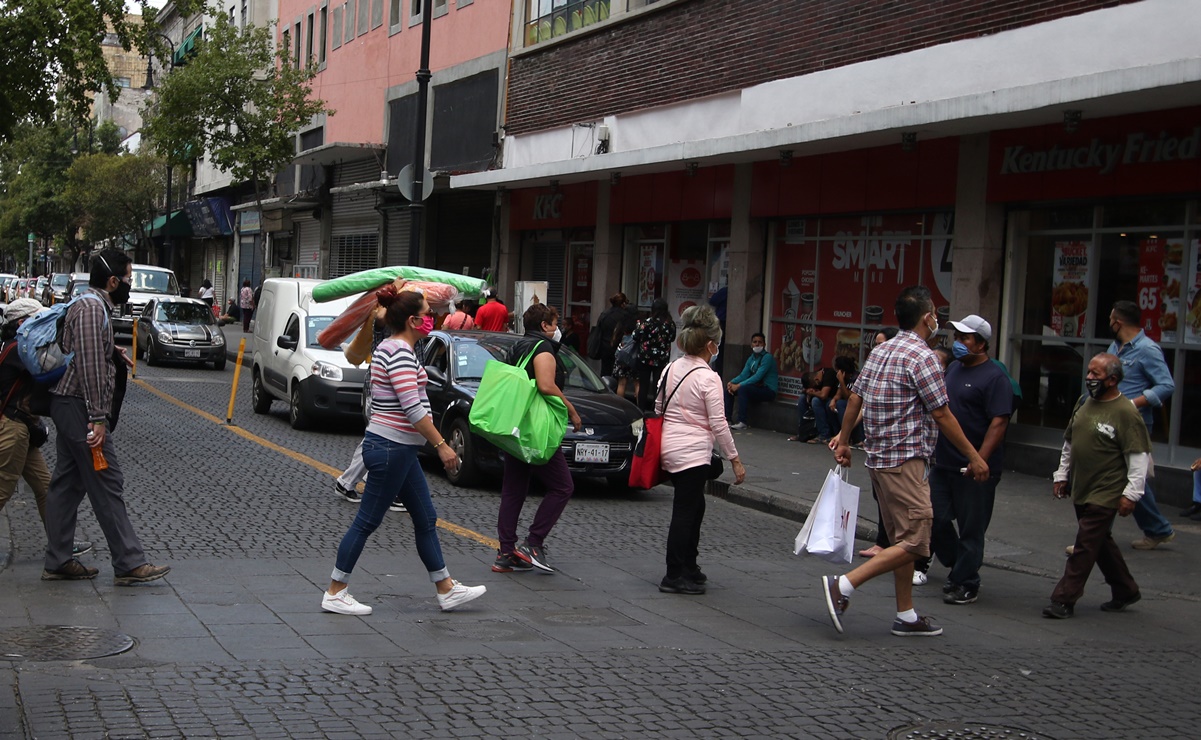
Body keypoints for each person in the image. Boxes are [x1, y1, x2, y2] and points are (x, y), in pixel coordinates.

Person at [823, 286, 989, 637]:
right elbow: (942, 414)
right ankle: (844, 585)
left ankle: (907, 615)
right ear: (927, 317)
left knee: (902, 540)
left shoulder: (882, 349)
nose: (937, 318)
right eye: (934, 313)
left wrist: (846, 437)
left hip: (880, 459)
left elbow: (855, 398)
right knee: (916, 541)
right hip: (906, 460)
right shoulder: (923, 356)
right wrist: (974, 456)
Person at [321, 287, 486, 616]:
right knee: (366, 521)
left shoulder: (397, 348)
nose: (432, 318)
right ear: (412, 320)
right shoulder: (397, 351)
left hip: (399, 450)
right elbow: (412, 409)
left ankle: (446, 588)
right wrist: (442, 446)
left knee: (426, 518)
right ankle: (336, 591)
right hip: (389, 448)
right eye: (427, 313)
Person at [42, 249, 170, 585]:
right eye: (127, 278)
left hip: (72, 406)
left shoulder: (93, 305)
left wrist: (111, 351)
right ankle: (129, 562)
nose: (129, 285)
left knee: (68, 484)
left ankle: (57, 560)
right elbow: (87, 365)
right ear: (112, 281)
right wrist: (97, 420)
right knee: (106, 479)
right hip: (78, 408)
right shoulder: (89, 307)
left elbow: (86, 348)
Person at [1044, 353, 1148, 619]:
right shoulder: (1083, 402)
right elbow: (1070, 442)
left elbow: (1138, 456)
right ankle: (1126, 589)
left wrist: (1131, 494)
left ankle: (1064, 599)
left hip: (1107, 489)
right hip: (1082, 485)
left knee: (1085, 544)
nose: (1089, 378)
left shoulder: (1126, 412)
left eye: (1096, 374)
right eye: (1089, 372)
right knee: (1100, 541)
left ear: (1112, 380)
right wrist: (1062, 475)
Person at [658, 305, 745, 594]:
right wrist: (734, 459)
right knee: (685, 511)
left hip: (669, 447)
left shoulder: (671, 368)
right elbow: (719, 423)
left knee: (696, 505)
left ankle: (690, 566)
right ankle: (674, 573)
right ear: (710, 344)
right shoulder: (709, 378)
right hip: (693, 452)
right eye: (717, 343)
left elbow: (658, 407)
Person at [929, 314, 1013, 606]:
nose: (959, 343)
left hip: (975, 468)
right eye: (957, 338)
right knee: (933, 518)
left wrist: (980, 460)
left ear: (981, 343)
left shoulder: (995, 377)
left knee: (971, 527)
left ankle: (965, 581)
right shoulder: (952, 369)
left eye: (965, 338)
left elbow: (999, 423)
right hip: (943, 462)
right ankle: (959, 564)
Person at [492, 304, 583, 575]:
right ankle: (534, 543)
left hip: (516, 424)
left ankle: (506, 552)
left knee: (513, 489)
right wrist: (572, 410)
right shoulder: (543, 349)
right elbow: (545, 385)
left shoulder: (518, 347)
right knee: (562, 486)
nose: (557, 329)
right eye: (555, 324)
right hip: (535, 429)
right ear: (544, 326)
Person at [0, 300, 94, 558]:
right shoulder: (19, 350)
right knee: (3, 488)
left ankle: (60, 544)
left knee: (45, 488)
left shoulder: (15, 348)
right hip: (14, 429)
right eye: (37, 322)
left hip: (23, 429)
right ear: (22, 324)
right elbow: (58, 365)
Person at [1102, 300, 1176, 551]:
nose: (1109, 322)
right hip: (1110, 420)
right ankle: (1158, 529)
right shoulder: (1116, 347)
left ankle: (1096, 537)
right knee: (1125, 477)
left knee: (1114, 476)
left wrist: (1133, 404)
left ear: (1118, 322)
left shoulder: (1147, 349)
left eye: (1111, 318)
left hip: (1135, 423)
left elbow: (1166, 386)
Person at [723, 332, 778, 430]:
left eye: (760, 342)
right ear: (751, 344)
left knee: (743, 389)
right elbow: (744, 375)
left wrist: (738, 385)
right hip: (757, 387)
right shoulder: (751, 358)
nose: (757, 344)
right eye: (755, 342)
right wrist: (731, 382)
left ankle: (742, 421)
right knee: (728, 390)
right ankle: (727, 419)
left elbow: (757, 377)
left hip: (768, 390)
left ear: (764, 344)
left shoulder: (767, 358)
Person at [632, 299, 676, 411]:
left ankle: (641, 410)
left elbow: (635, 335)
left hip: (645, 358)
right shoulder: (670, 324)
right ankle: (656, 410)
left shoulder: (647, 323)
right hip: (661, 359)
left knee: (644, 386)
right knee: (658, 385)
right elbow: (672, 338)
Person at [595, 292, 632, 378]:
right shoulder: (624, 315)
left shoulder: (605, 314)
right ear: (623, 304)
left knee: (605, 371)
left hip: (605, 346)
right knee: (618, 374)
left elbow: (599, 328)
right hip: (619, 347)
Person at [803, 362, 838, 443]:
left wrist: (812, 393)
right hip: (827, 400)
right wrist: (808, 393)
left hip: (835, 399)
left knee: (817, 401)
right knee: (802, 399)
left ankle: (825, 434)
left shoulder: (829, 374)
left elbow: (823, 395)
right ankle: (804, 431)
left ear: (816, 380)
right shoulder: (817, 373)